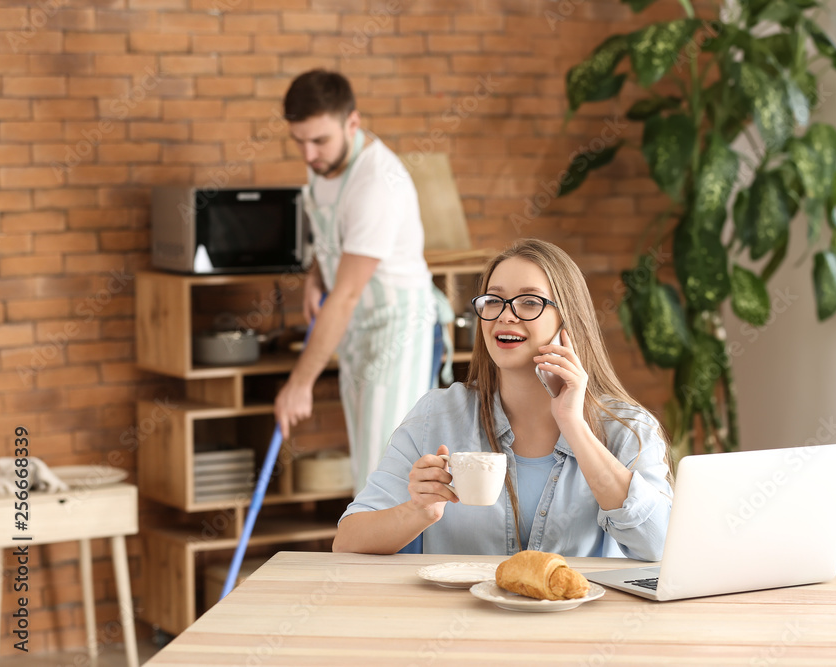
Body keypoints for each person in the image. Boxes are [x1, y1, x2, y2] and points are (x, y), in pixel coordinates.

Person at [334, 239, 673, 561]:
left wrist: (574, 426)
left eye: (530, 302)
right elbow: (348, 542)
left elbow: (661, 546)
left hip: (579, 607)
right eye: (494, 301)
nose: (505, 315)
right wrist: (417, 511)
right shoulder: (436, 416)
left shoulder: (628, 428)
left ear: (568, 320)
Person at [276, 70, 443, 494]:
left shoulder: (376, 183)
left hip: (398, 329)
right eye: (299, 141)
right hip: (356, 328)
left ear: (353, 122)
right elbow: (334, 238)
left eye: (319, 140)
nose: (309, 154)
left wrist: (299, 384)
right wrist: (317, 275)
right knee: (367, 472)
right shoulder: (324, 165)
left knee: (388, 473)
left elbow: (348, 293)